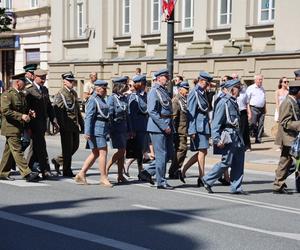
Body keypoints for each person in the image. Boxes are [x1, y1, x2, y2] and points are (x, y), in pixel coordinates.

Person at [202, 79, 246, 194]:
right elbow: (216, 122)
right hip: (228, 135)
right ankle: (207, 179)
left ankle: (236, 187)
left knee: (239, 161)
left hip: (237, 135)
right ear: (232, 90)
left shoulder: (233, 101)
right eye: (237, 88)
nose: (239, 90)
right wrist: (216, 139)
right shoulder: (223, 102)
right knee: (226, 162)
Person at [138, 69, 174, 190]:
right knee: (162, 155)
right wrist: (164, 126)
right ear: (158, 78)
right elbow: (152, 111)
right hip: (159, 127)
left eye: (167, 77)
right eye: (165, 77)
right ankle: (161, 181)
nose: (167, 79)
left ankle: (147, 172)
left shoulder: (163, 91)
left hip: (167, 124)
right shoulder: (154, 91)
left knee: (168, 154)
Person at [0, 73, 40, 182]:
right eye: (24, 82)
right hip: (10, 127)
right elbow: (5, 110)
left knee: (8, 151)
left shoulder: (21, 95)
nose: (26, 84)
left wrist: (29, 113)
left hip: (18, 127)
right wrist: (21, 116)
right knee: (17, 150)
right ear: (18, 83)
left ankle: (2, 172)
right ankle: (27, 173)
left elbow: (22, 110)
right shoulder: (7, 95)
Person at [75, 80, 112, 187]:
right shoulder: (93, 99)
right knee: (103, 152)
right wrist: (87, 132)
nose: (105, 91)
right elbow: (89, 116)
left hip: (102, 129)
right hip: (96, 130)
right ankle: (103, 177)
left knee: (95, 153)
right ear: (97, 88)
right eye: (104, 89)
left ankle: (81, 173)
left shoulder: (100, 99)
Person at [25, 69, 59, 179]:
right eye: (41, 78)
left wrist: (54, 121)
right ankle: (45, 170)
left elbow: (49, 107)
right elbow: (25, 108)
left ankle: (28, 169)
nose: (43, 80)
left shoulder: (45, 89)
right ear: (35, 77)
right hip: (33, 124)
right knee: (40, 147)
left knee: (35, 147)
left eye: (44, 78)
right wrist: (27, 126)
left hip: (42, 123)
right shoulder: (29, 90)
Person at [182, 72, 212, 187]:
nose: (208, 85)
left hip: (203, 125)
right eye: (207, 82)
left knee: (202, 151)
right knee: (203, 151)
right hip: (198, 126)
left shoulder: (202, 92)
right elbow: (191, 112)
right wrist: (192, 129)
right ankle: (201, 176)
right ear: (202, 81)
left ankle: (184, 169)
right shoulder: (195, 93)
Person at [52, 72, 84, 177]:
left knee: (75, 146)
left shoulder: (73, 93)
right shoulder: (61, 94)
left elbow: (77, 111)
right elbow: (58, 111)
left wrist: (82, 123)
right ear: (64, 82)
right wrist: (61, 125)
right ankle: (67, 170)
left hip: (74, 125)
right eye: (69, 81)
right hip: (66, 125)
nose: (72, 83)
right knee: (67, 149)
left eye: (72, 81)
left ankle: (57, 161)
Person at [273, 80, 300, 194]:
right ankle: (278, 184)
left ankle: (278, 184)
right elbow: (285, 122)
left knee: (285, 162)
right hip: (288, 138)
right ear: (297, 91)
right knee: (285, 162)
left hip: (292, 137)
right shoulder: (287, 102)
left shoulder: (293, 101)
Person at [106, 76, 129, 183]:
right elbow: (110, 115)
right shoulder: (112, 98)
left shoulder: (124, 98)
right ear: (120, 86)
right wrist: (110, 130)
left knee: (122, 152)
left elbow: (128, 115)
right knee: (121, 151)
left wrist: (130, 129)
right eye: (126, 85)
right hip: (116, 127)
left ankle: (120, 175)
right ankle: (106, 169)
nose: (127, 87)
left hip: (124, 128)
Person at [126, 74, 148, 175]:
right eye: (143, 84)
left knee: (142, 149)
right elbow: (130, 114)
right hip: (136, 126)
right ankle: (127, 167)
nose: (144, 86)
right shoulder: (132, 97)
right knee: (136, 150)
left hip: (144, 126)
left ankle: (140, 170)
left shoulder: (145, 96)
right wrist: (131, 129)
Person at [168, 81, 189, 180]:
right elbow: (174, 117)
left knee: (181, 150)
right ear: (180, 89)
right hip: (179, 130)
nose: (187, 91)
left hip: (184, 130)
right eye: (186, 89)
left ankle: (175, 170)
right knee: (181, 149)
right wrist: (174, 131)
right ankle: (174, 170)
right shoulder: (176, 100)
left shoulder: (185, 99)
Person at [246, 74, 266, 144]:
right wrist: (249, 111)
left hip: (262, 108)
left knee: (261, 124)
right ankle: (249, 136)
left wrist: (265, 108)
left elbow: (264, 99)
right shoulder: (250, 88)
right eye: (259, 79)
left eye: (261, 79)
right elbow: (247, 101)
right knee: (253, 124)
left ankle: (258, 139)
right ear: (255, 80)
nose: (261, 81)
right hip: (253, 108)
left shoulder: (262, 88)